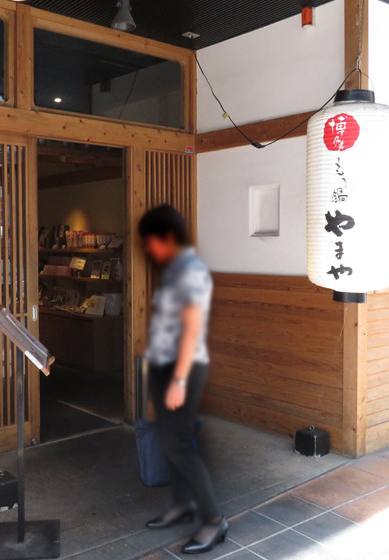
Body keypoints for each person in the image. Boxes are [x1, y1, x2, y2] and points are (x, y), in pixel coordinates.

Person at [139, 204, 227, 555]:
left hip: (183, 370)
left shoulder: (191, 270)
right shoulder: (174, 269)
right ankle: (183, 503)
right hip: (165, 366)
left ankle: (214, 520)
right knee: (170, 440)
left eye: (151, 241)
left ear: (169, 237)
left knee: (179, 447)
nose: (148, 248)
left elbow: (191, 330)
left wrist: (178, 380)